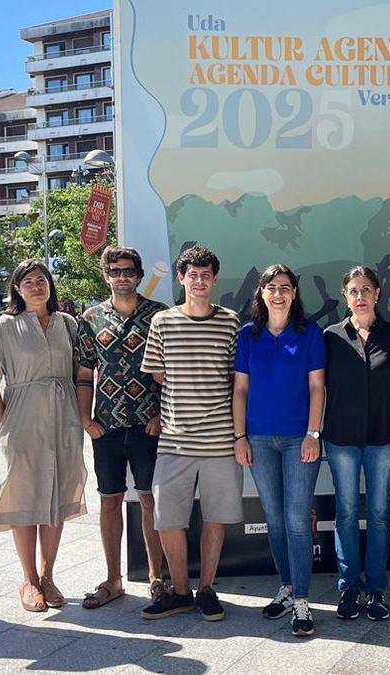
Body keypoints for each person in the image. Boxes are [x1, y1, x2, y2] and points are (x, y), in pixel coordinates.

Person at [0, 259, 87, 612]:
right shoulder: (4, 326)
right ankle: (28, 580)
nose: (37, 286)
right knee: (23, 496)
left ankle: (48, 574)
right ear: (17, 289)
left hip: (63, 416)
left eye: (42, 280)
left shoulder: (68, 324)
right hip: (22, 416)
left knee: (56, 494)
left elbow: (81, 371)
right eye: (28, 282)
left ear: (50, 286)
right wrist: (4, 423)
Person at [140, 245, 241, 622]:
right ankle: (180, 591)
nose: (199, 281)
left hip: (220, 441)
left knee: (215, 517)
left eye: (206, 275)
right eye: (192, 275)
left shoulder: (230, 321)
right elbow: (157, 374)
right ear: (181, 278)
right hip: (174, 440)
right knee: (168, 519)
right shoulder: (162, 322)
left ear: (214, 280)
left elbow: (234, 379)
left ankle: (207, 590)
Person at [232, 264, 326, 637]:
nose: (278, 293)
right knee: (274, 517)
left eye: (285, 287)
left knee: (298, 520)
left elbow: (318, 387)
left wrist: (313, 433)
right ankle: (286, 588)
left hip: (298, 439)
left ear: (294, 293)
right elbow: (240, 390)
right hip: (258, 439)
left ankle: (302, 601)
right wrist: (240, 437)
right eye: (271, 287)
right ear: (261, 293)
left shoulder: (309, 333)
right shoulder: (247, 335)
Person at [75, 247, 169, 609]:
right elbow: (84, 373)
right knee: (110, 501)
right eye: (115, 271)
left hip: (149, 424)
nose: (122, 276)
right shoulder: (91, 318)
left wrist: (162, 415)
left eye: (129, 270)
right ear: (106, 275)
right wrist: (86, 420)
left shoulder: (158, 316)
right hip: (107, 426)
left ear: (139, 274)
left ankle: (157, 578)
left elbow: (170, 373)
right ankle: (113, 580)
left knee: (149, 500)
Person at [322, 266, 390, 622]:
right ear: (345, 295)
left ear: (378, 294)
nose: (360, 296)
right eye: (354, 290)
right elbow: (315, 387)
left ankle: (376, 590)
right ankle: (349, 587)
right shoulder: (330, 337)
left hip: (383, 437)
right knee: (345, 513)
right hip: (341, 437)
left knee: (380, 514)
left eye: (366, 289)